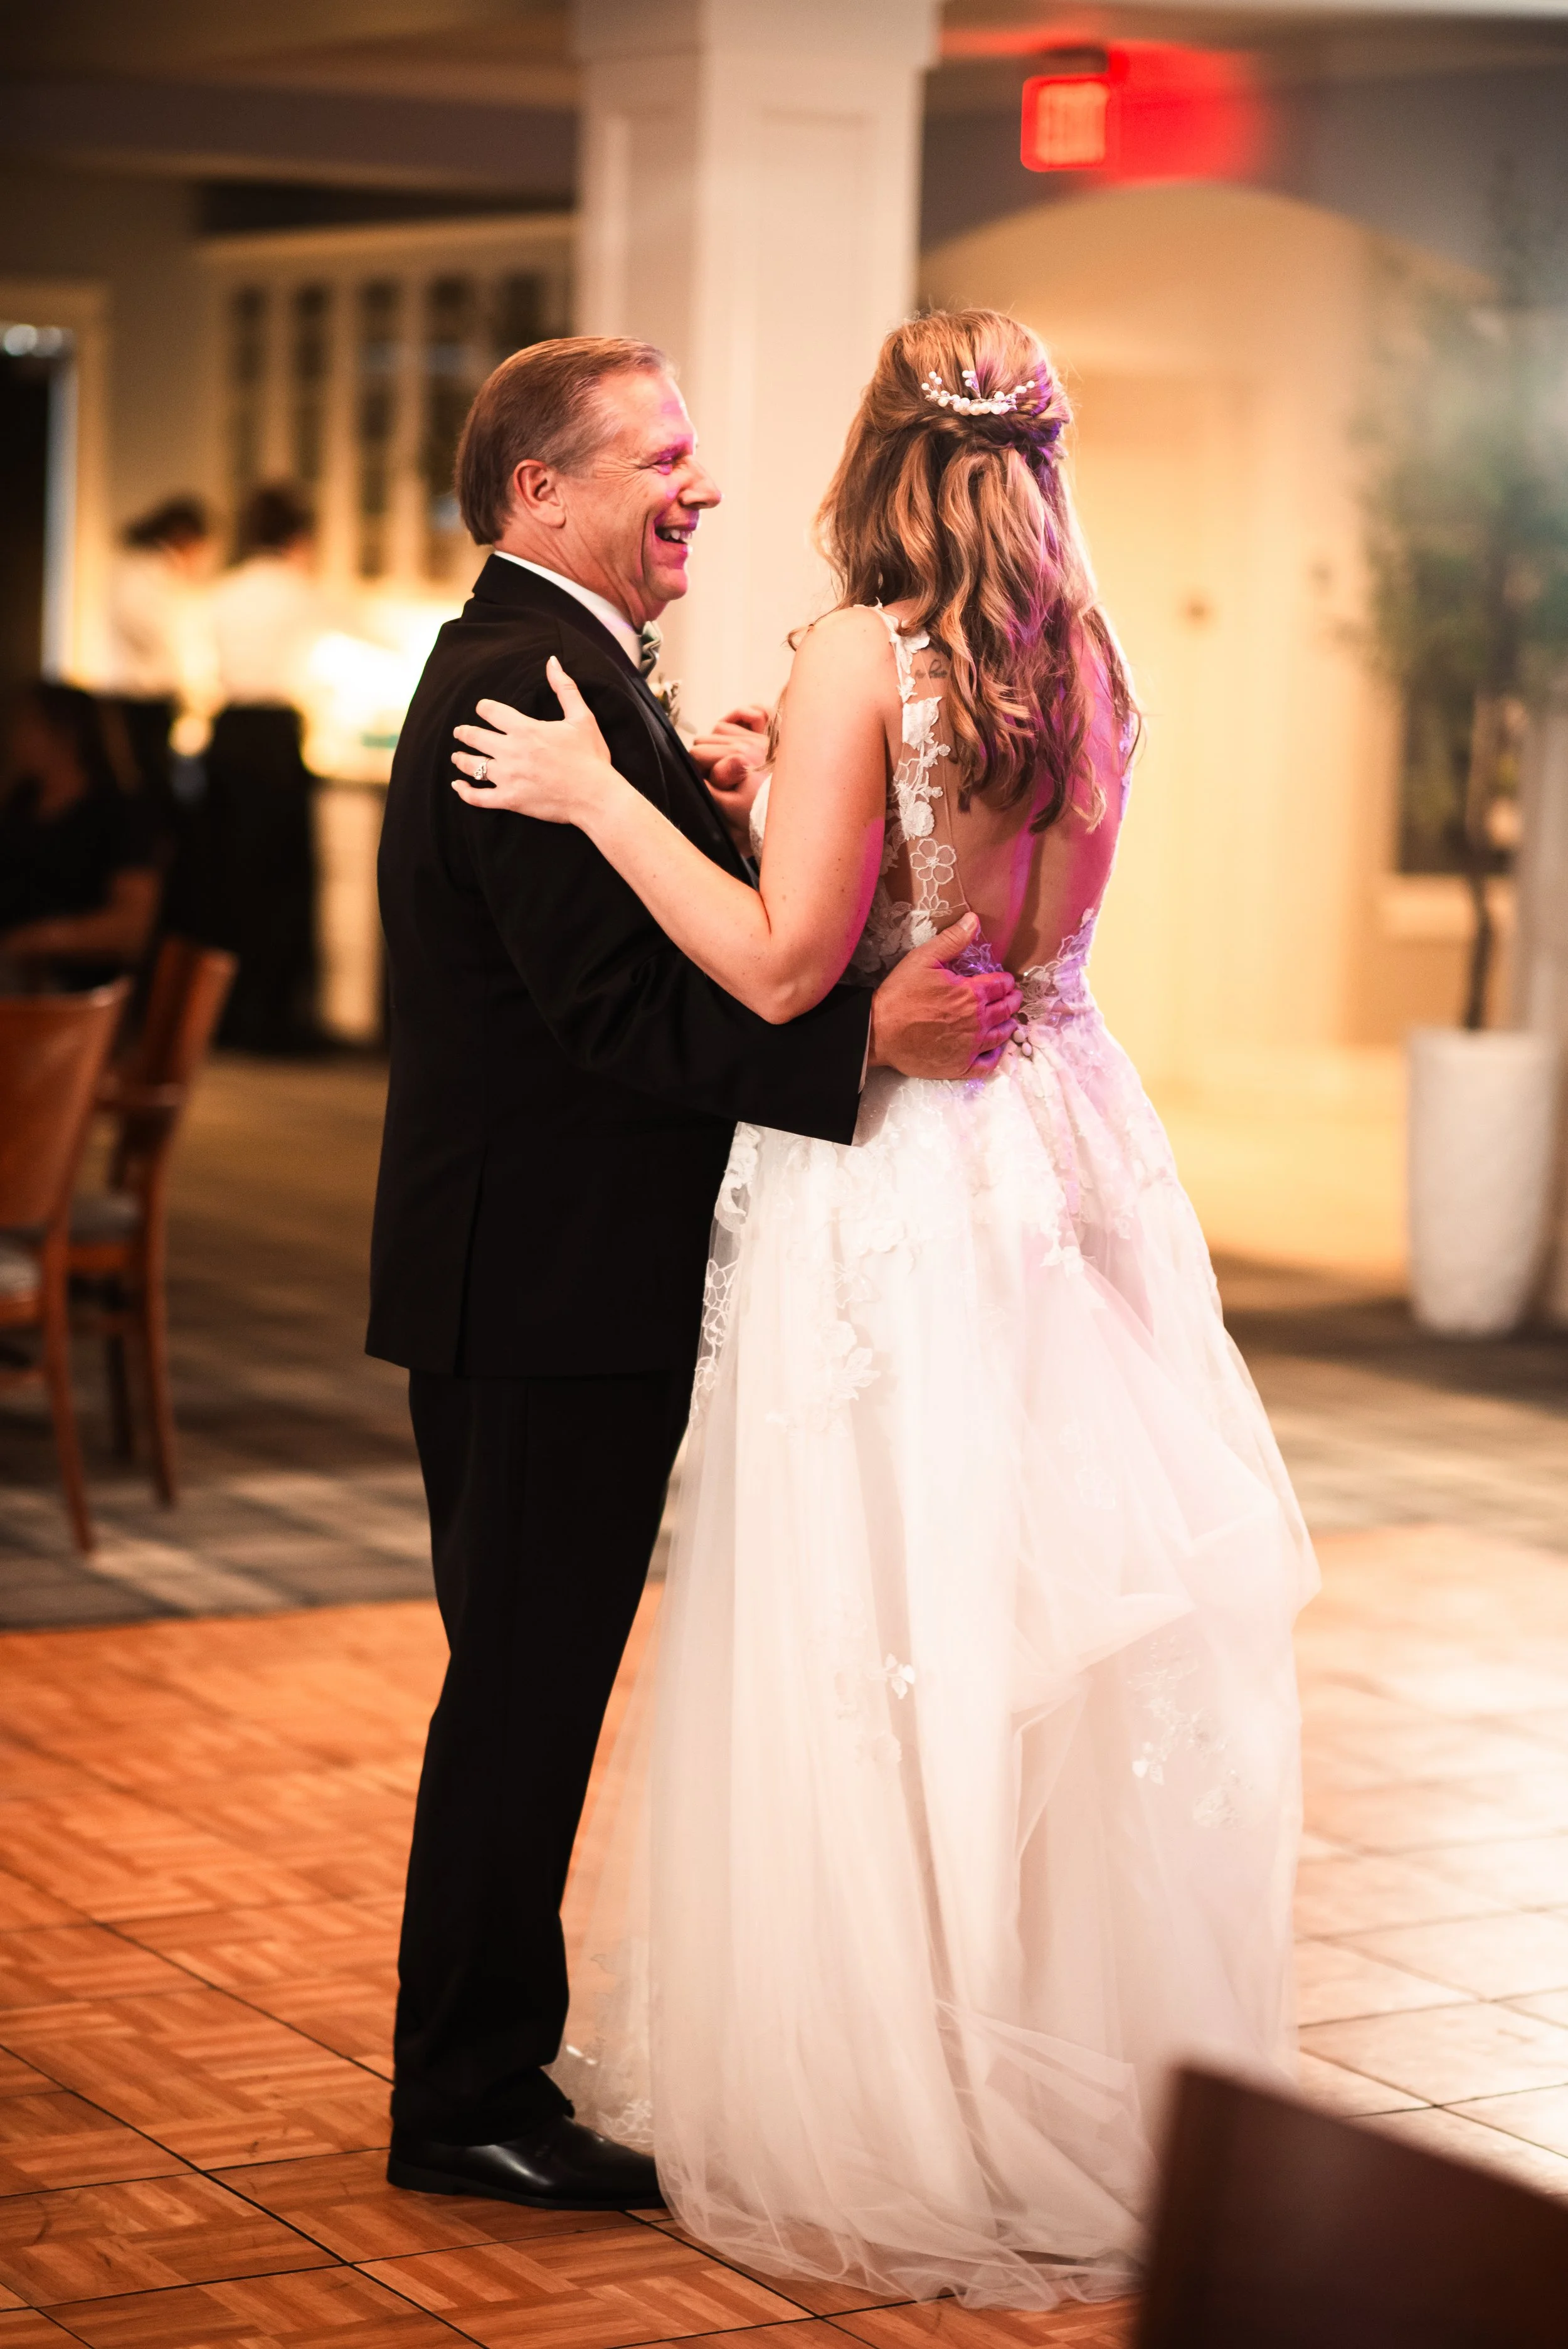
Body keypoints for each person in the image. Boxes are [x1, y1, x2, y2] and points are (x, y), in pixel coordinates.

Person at [450, 309, 1317, 2308]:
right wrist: (771, 791)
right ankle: (1062, 2066)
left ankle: (896, 2090)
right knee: (1042, 1624)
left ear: (874, 454)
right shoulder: (1087, 660)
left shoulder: (855, 652)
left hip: (902, 1183)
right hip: (1078, 1147)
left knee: (880, 1617)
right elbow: (980, 899)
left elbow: (778, 973)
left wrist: (604, 799)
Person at [367, 335, 1020, 2216]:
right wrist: (855, 1053)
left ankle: (481, 2061)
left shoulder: (561, 663)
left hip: (541, 1273)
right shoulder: (521, 681)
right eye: (657, 457)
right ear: (536, 494)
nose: (701, 488)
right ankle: (464, 2098)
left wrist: (702, 799)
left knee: (526, 1678)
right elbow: (604, 1018)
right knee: (521, 1688)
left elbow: (617, 953)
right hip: (539, 1286)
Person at [203, 482, 325, 1051]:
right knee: (281, 882)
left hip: (226, 735)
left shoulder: (223, 591)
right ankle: (272, 1022)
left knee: (225, 879)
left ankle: (220, 1018)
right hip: (274, 738)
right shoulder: (299, 591)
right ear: (298, 538)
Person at [0, 681, 161, 990]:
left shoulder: (117, 810)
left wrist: (34, 940)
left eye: (26, 725)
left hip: (69, 985)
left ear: (67, 734)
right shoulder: (22, 800)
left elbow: (131, 929)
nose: (12, 738)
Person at [101, 495, 215, 814]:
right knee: (145, 795)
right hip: (141, 703)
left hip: (147, 703)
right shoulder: (148, 577)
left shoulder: (148, 575)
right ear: (185, 538)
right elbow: (167, 638)